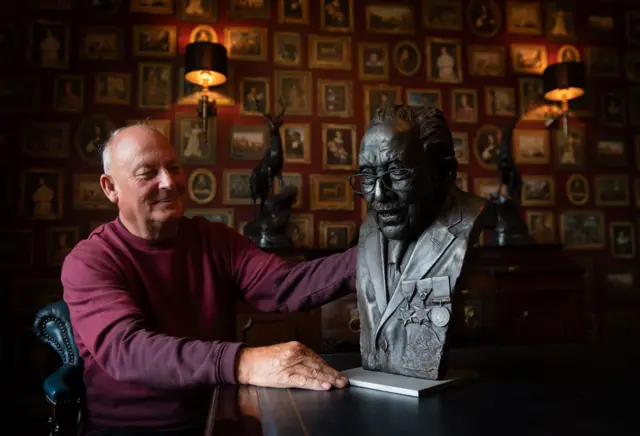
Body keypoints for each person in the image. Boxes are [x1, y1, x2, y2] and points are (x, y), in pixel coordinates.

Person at [62, 124, 355, 435]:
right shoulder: (89, 260)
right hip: (131, 428)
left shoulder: (215, 240)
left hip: (218, 417)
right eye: (147, 173)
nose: (168, 182)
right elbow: (128, 349)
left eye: (173, 167)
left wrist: (370, 258)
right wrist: (243, 361)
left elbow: (284, 284)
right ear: (110, 188)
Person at [350, 105, 493, 381]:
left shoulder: (466, 219)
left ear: (443, 173)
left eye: (399, 173)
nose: (379, 194)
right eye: (368, 176)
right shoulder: (369, 230)